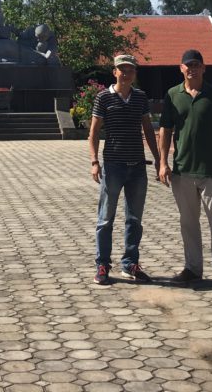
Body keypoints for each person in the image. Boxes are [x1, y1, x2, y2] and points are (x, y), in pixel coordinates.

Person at [158, 49, 212, 295]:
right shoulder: (173, 95)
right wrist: (163, 162)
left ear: (204, 68)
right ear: (181, 68)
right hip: (182, 170)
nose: (192, 69)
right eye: (188, 65)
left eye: (196, 65)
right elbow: (165, 130)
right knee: (188, 223)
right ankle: (192, 268)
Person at [89, 53, 160, 285]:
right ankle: (102, 264)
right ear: (115, 72)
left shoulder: (140, 98)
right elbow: (94, 133)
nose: (126, 73)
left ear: (134, 73)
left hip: (137, 167)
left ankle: (130, 263)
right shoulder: (103, 98)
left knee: (135, 219)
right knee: (105, 219)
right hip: (113, 166)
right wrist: (94, 161)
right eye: (122, 69)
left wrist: (158, 158)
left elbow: (148, 130)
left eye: (130, 69)